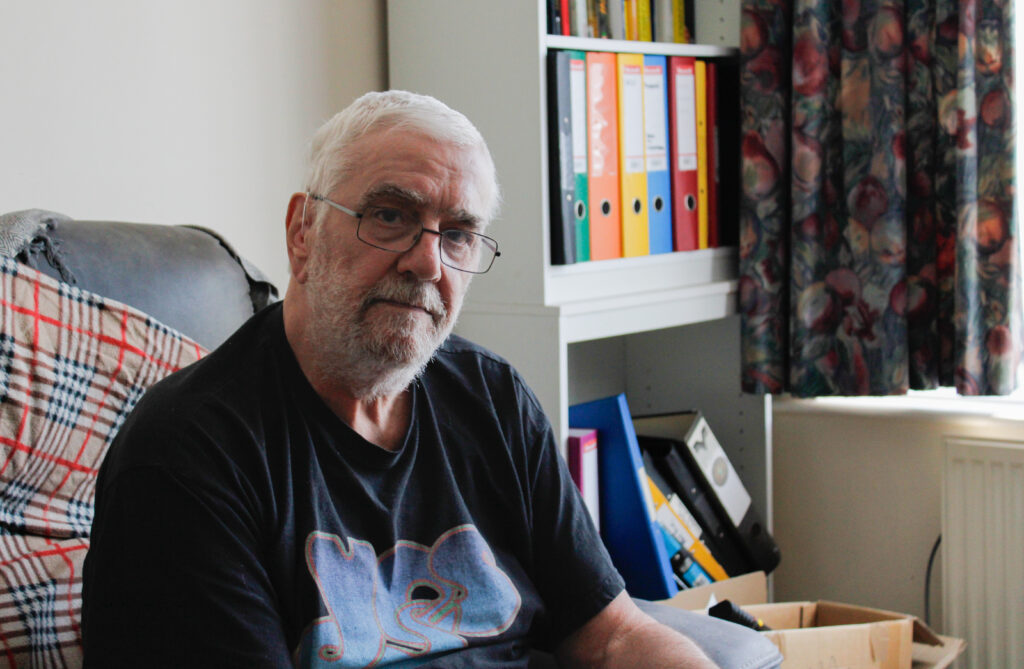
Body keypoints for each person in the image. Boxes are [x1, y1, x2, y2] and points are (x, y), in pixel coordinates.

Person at [82, 90, 718, 668]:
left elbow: (614, 636)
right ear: (302, 233)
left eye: (460, 234)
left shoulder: (493, 400)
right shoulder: (187, 458)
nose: (427, 262)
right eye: (390, 216)